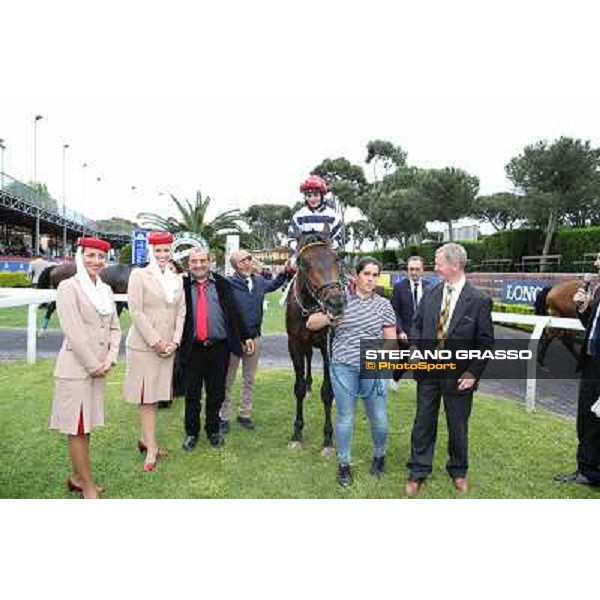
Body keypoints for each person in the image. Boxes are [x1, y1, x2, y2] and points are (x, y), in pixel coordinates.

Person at [405, 243, 494, 497]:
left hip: (459, 377)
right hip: (428, 373)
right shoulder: (431, 293)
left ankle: (458, 470)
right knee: (423, 422)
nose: (435, 266)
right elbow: (417, 325)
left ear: (455, 264)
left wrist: (473, 373)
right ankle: (418, 471)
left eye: (438, 262)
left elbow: (486, 343)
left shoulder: (479, 300)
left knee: (458, 426)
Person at [307, 257, 397, 487]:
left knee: (379, 418)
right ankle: (344, 464)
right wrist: (329, 317)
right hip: (343, 365)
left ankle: (379, 456)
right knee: (345, 417)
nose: (371, 279)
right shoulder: (340, 299)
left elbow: (391, 340)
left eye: (375, 275)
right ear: (356, 275)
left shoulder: (384, 305)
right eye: (367, 274)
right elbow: (310, 323)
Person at [49, 236, 121, 499]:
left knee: (85, 425)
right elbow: (73, 332)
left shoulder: (105, 289)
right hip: (76, 369)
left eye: (101, 256)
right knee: (77, 426)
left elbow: (115, 327)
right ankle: (87, 485)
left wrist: (111, 358)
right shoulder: (69, 287)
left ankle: (78, 477)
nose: (96, 261)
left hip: (99, 368)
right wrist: (94, 365)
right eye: (90, 255)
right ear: (80, 256)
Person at [179, 247, 254, 450]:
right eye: (194, 261)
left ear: (210, 262)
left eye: (203, 261)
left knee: (216, 393)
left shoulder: (222, 284)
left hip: (218, 349)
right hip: (192, 348)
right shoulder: (182, 285)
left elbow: (234, 312)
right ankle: (191, 433)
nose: (199, 265)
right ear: (188, 264)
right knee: (192, 394)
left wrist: (246, 335)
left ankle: (213, 430)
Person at [123, 231, 186, 472]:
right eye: (158, 250)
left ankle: (144, 439)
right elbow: (135, 312)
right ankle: (152, 447)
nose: (162, 255)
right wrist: (157, 342)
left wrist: (175, 342)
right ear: (151, 252)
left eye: (166, 250)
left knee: (156, 395)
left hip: (168, 346)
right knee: (147, 397)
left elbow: (181, 312)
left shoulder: (176, 278)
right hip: (144, 346)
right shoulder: (139, 275)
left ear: (171, 252)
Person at [219, 250, 291, 432]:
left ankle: (244, 414)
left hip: (255, 337)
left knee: (249, 379)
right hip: (233, 340)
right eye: (248, 258)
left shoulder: (258, 281)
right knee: (227, 379)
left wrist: (285, 272)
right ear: (239, 264)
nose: (252, 261)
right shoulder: (227, 284)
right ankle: (223, 417)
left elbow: (273, 285)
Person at [554, 252, 600, 487]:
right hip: (592, 364)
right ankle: (587, 470)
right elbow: (590, 325)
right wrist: (583, 308)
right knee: (587, 419)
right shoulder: (599, 290)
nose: (595, 263)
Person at [389, 256, 431, 388]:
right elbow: (394, 311)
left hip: (423, 334)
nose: (413, 272)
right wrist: (400, 331)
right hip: (405, 333)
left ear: (423, 270)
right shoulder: (399, 287)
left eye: (417, 269)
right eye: (411, 269)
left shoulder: (430, 288)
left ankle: (424, 388)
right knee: (405, 361)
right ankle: (395, 378)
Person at [288, 175, 344, 255]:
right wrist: (299, 247)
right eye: (309, 196)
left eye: (316, 195)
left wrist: (328, 246)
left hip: (326, 254)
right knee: (291, 265)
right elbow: (291, 239)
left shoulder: (333, 216)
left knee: (342, 266)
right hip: (304, 254)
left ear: (322, 196)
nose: (312, 199)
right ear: (305, 197)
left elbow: (338, 240)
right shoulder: (298, 216)